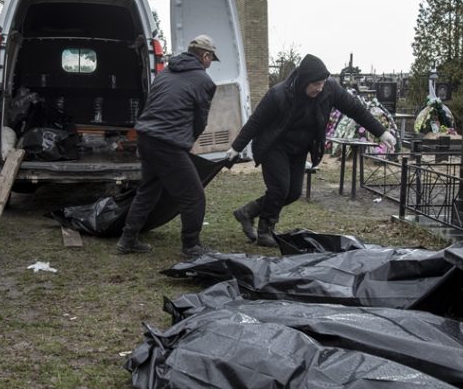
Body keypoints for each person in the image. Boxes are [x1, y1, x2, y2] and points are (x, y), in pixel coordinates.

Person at [226, 54, 396, 247]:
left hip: (300, 148)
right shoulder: (279, 94)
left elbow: (355, 109)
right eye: (315, 84)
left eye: (322, 83)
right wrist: (236, 147)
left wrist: (381, 132)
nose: (320, 88)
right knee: (280, 188)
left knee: (293, 192)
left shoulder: (330, 89)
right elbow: (255, 122)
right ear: (304, 80)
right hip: (275, 145)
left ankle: (247, 212)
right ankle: (265, 231)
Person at [115, 35, 218, 257]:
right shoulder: (204, 81)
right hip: (168, 143)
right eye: (211, 59)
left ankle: (127, 240)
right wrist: (188, 141)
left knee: (148, 190)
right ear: (205, 56)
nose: (210, 63)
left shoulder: (165, 73)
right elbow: (200, 119)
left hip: (146, 136)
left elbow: (153, 104)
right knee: (194, 195)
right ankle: (191, 246)